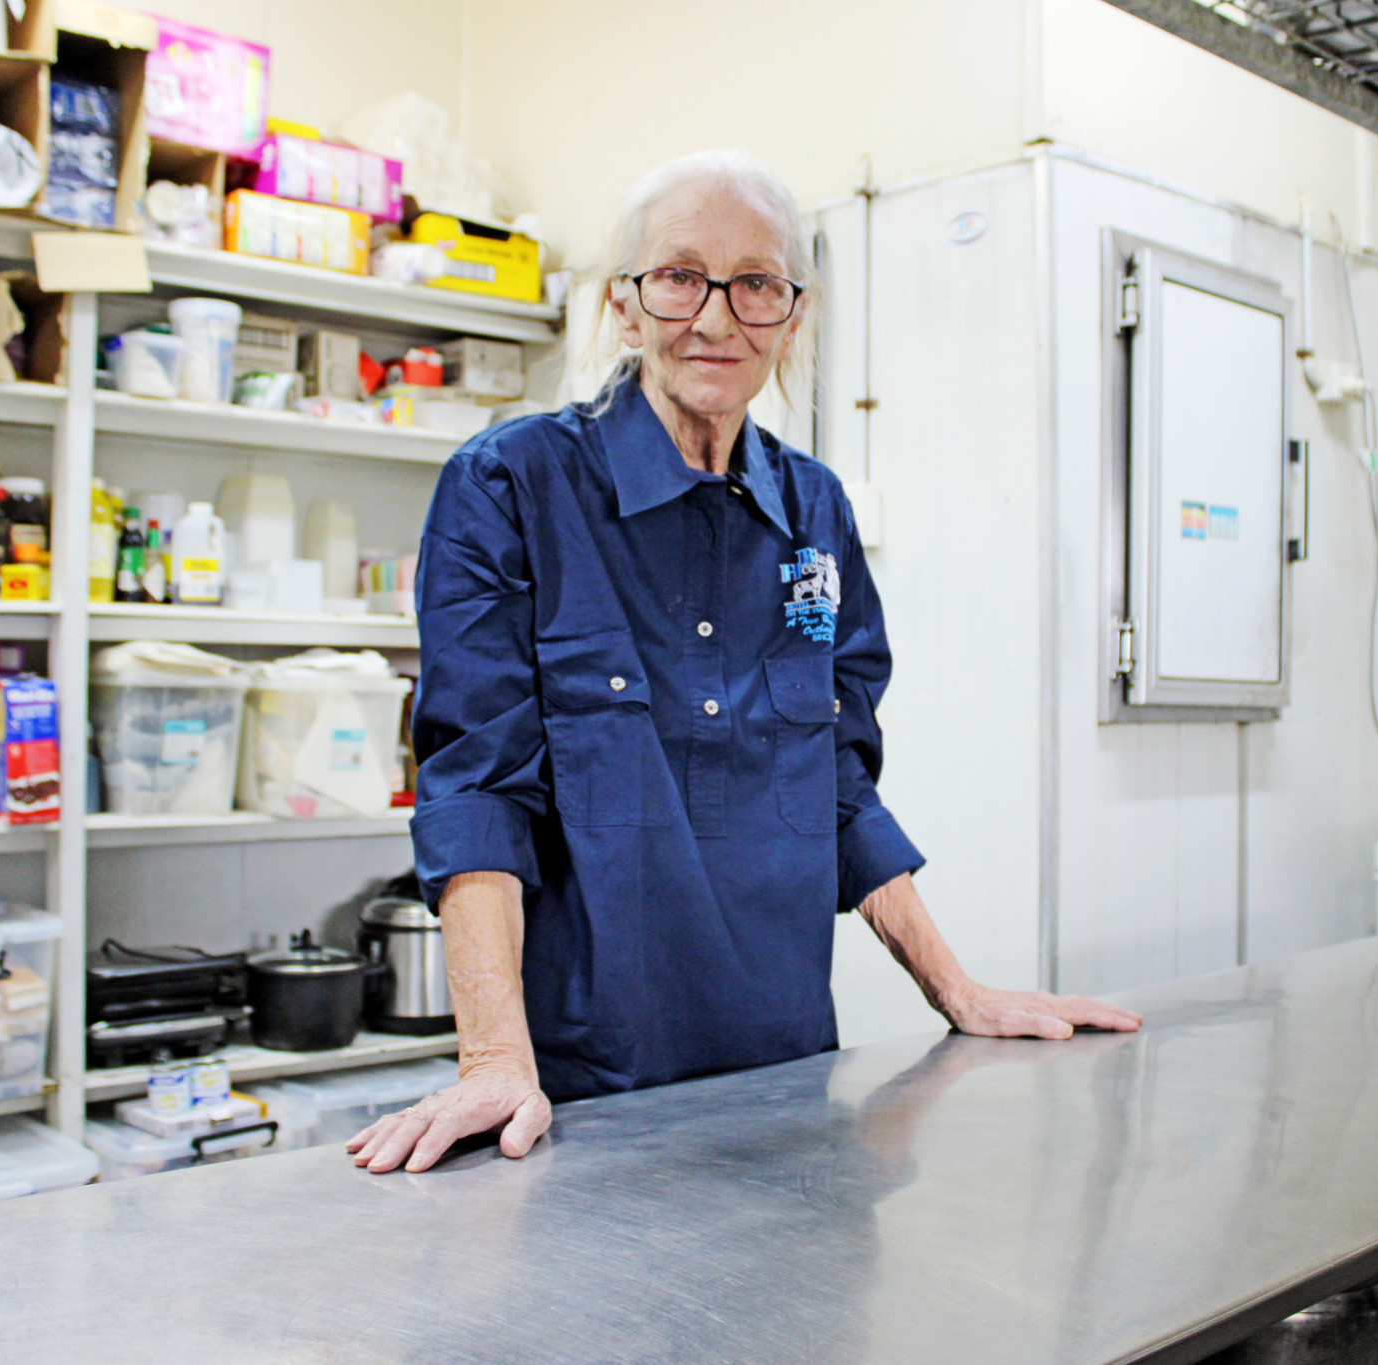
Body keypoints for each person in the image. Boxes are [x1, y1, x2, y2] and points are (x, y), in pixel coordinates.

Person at [350, 150, 1140, 1177]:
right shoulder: (510, 486)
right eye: (680, 276)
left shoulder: (813, 513)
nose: (717, 319)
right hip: (583, 1094)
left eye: (757, 283)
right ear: (624, 307)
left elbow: (836, 779)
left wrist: (957, 988)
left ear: (792, 316)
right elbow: (475, 785)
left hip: (786, 1079)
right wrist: (494, 1058)